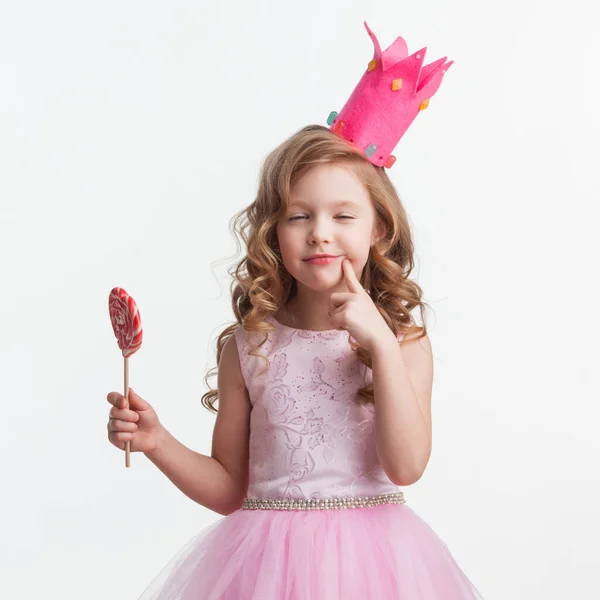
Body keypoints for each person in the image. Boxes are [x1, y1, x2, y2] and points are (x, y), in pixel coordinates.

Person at [106, 23, 485, 600]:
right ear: (272, 231)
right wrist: (157, 441)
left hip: (376, 570)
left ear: (379, 227)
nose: (320, 235)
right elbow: (230, 487)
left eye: (343, 215)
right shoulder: (251, 345)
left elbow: (406, 467)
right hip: (262, 570)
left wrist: (379, 346)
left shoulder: (403, 343)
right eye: (299, 216)